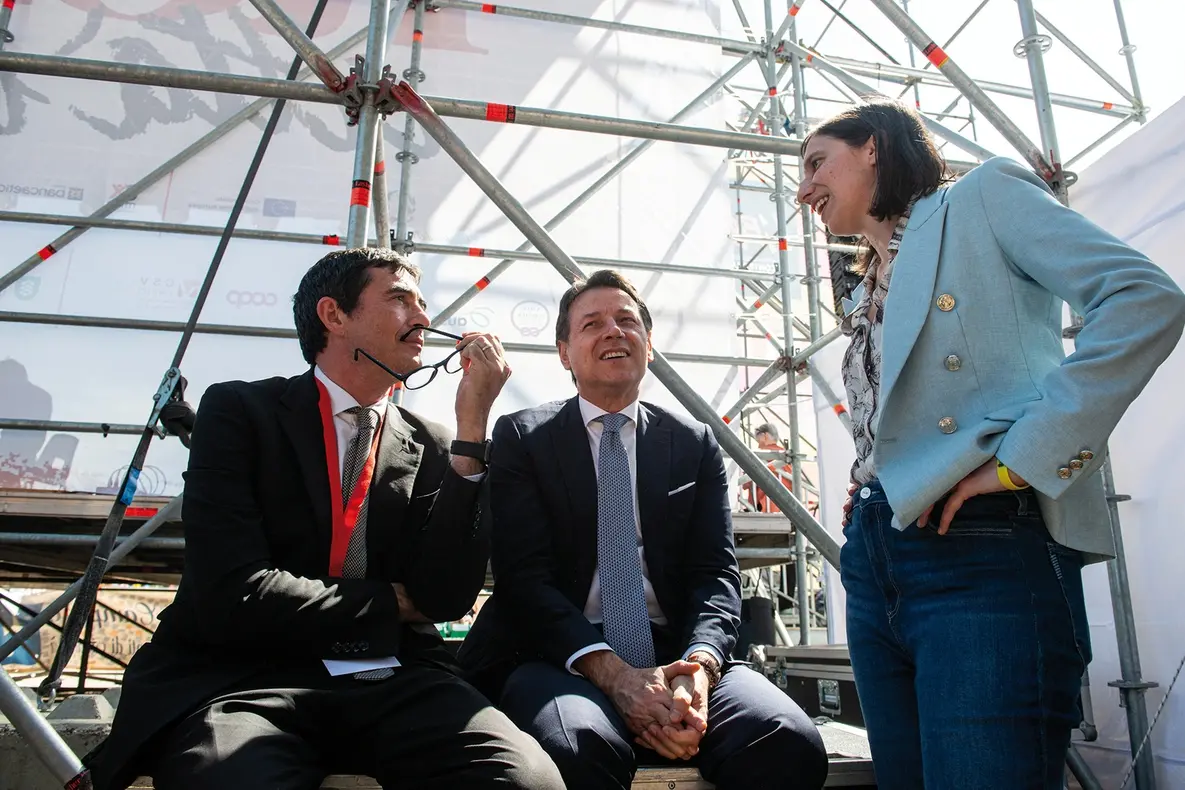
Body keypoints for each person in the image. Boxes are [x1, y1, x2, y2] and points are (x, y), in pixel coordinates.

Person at [796, 100, 1185, 789]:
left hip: (982, 551)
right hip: (875, 554)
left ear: (872, 148)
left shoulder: (982, 197)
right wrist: (873, 472)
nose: (803, 189)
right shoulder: (864, 281)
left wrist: (1023, 460)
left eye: (815, 161)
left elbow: (1140, 297)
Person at [86, 248, 562, 790]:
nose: (425, 319)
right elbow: (234, 592)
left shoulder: (437, 442)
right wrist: (391, 602)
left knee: (525, 780)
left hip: (391, 675)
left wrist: (471, 426)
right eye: (400, 300)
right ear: (333, 316)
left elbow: (447, 596)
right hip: (246, 681)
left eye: (424, 303)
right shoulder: (239, 413)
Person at [458, 269, 828, 790]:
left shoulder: (692, 442)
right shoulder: (525, 437)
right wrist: (616, 676)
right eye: (592, 324)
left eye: (626, 320)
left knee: (785, 738)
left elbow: (715, 575)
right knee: (578, 747)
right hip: (561, 657)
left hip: (676, 654)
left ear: (648, 346)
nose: (613, 331)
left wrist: (698, 669)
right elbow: (524, 581)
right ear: (564, 352)